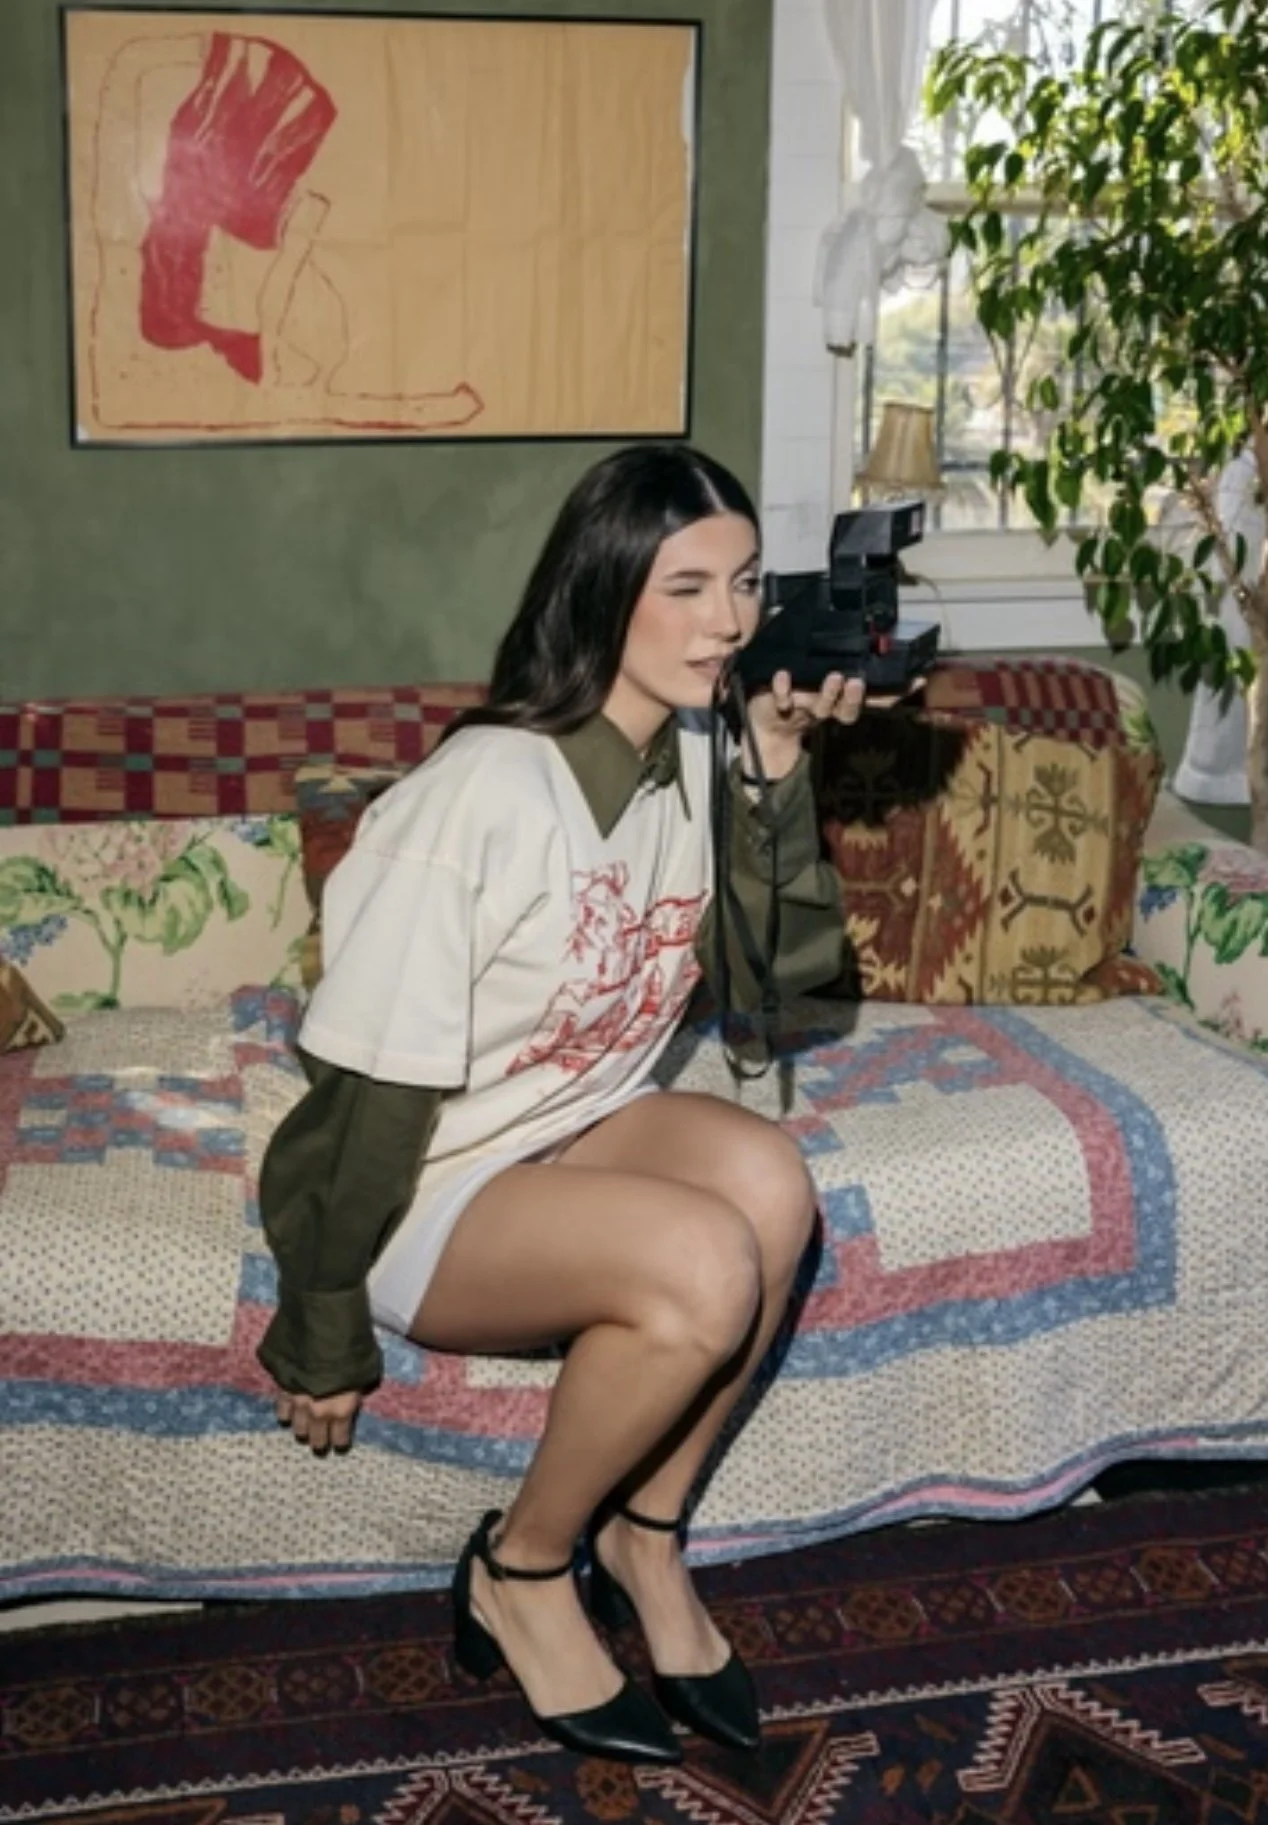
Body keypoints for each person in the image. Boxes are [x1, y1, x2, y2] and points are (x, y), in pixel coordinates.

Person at [256, 443, 872, 1766]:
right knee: (702, 1262)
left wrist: (771, 761)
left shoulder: (700, 757)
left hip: (565, 1122)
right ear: (600, 597)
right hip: (431, 1177)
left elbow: (789, 987)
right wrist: (316, 1321)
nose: (730, 621)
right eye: (688, 587)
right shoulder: (481, 795)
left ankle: (640, 1537)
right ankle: (523, 1567)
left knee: (772, 1186)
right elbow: (375, 1082)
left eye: (747, 586)